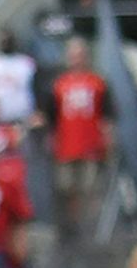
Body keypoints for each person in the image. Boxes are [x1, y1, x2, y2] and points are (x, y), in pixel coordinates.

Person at [40, 38, 110, 238]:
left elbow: (107, 115)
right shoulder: (60, 85)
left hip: (92, 146)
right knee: (67, 189)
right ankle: (72, 228)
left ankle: (93, 229)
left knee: (91, 189)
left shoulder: (97, 82)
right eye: (73, 55)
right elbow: (52, 116)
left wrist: (107, 140)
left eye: (80, 54)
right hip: (66, 146)